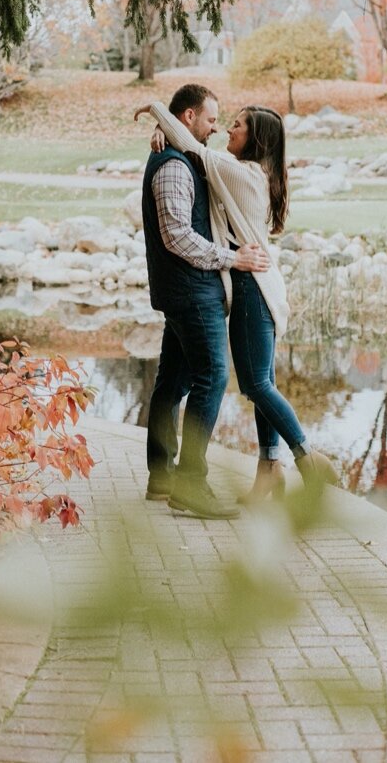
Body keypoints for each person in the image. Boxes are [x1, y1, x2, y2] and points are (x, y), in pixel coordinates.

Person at [138, 98, 337, 500]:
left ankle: (306, 457)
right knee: (263, 380)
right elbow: (190, 146)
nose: (229, 129)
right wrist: (164, 134)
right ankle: (269, 471)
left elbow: (193, 146)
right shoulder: (247, 172)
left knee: (256, 384)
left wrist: (156, 111)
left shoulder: (241, 174)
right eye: (226, 122)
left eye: (238, 125)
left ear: (256, 139)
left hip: (252, 286)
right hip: (256, 282)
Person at [139, 83, 271, 520]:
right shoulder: (175, 166)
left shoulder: (183, 155)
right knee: (212, 377)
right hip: (192, 291)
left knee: (173, 383)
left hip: (183, 291)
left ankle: (161, 476)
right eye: (212, 119)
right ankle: (190, 484)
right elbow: (177, 235)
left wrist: (162, 129)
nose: (216, 128)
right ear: (189, 117)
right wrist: (233, 259)